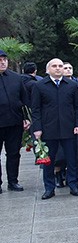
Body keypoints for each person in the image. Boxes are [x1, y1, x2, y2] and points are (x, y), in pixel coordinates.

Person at [30, 58, 78, 199]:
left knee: (72, 159)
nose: (58, 68)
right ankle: (49, 188)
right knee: (49, 161)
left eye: (60, 66)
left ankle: (73, 185)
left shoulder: (71, 85)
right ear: (48, 70)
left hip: (69, 128)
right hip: (48, 129)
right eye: (54, 66)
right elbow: (35, 109)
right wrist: (37, 128)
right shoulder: (39, 86)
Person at [0, 50, 29, 192]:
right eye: (0, 59)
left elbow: (24, 100)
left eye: (4, 59)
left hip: (14, 122)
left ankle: (13, 181)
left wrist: (26, 118)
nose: (3, 62)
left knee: (13, 153)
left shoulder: (16, 78)